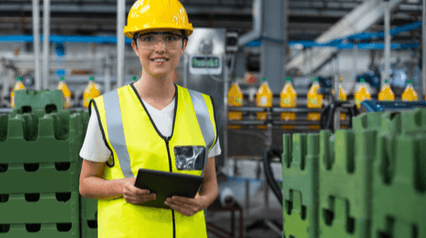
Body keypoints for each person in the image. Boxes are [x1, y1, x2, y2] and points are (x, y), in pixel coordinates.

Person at [78, 0, 221, 237]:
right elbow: (86, 183)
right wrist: (121, 186)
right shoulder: (108, 109)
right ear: (135, 46)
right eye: (149, 38)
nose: (160, 47)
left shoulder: (202, 109)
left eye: (171, 37)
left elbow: (210, 182)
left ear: (184, 44)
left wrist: (203, 202)